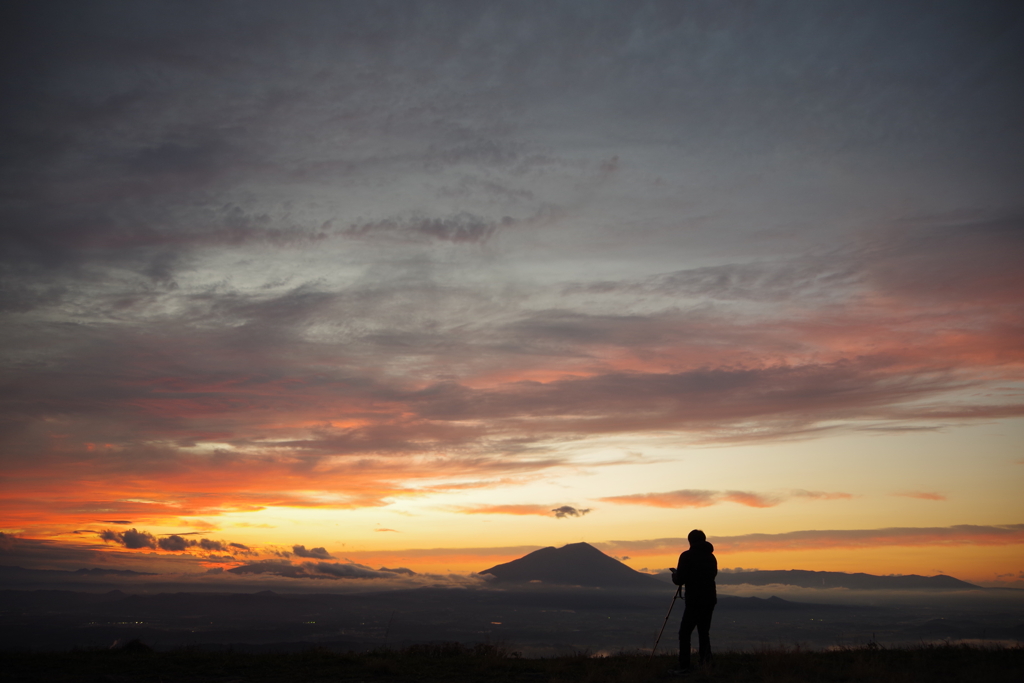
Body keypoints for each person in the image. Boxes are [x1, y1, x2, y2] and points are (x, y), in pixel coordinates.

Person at [671, 529, 717, 672]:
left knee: (684, 633)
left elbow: (680, 579)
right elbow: (712, 575)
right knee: (704, 632)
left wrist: (674, 576)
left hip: (694, 600)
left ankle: (684, 666)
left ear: (690, 541)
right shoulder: (711, 557)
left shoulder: (687, 556)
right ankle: (706, 662)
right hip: (709, 599)